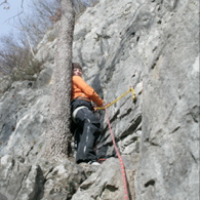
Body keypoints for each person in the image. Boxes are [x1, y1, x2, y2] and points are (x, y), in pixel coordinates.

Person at [71, 63, 105, 165]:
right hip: (79, 106)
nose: (78, 72)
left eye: (79, 70)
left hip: (76, 111)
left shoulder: (72, 85)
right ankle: (87, 157)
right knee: (92, 122)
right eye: (75, 70)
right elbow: (89, 91)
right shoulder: (75, 79)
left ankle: (82, 159)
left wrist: (91, 107)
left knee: (82, 133)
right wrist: (101, 103)